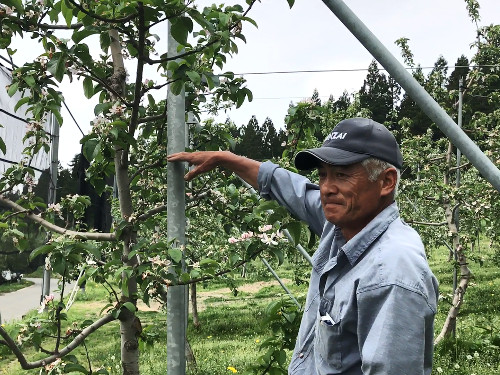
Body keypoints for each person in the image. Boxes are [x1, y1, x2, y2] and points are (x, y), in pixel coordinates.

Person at [167, 117, 439, 375]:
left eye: (342, 175)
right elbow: (292, 188)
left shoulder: (391, 272)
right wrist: (226, 159)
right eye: (323, 175)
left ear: (386, 181)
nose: (326, 188)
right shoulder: (344, 222)